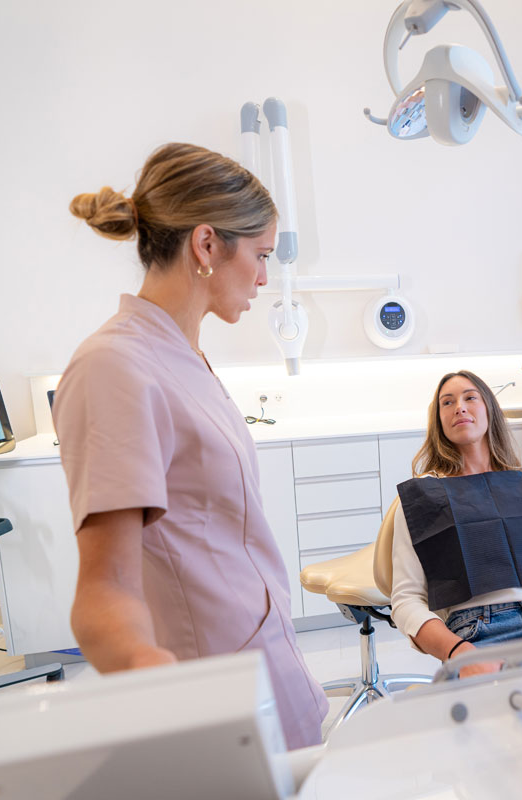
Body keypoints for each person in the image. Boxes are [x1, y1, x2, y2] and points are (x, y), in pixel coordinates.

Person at [54, 143, 327, 748]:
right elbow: (104, 590)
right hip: (214, 686)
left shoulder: (182, 354)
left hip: (263, 653)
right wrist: (149, 674)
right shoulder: (113, 367)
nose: (264, 278)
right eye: (260, 255)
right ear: (206, 245)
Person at [389, 370, 522, 679]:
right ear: (438, 421)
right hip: (480, 638)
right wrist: (459, 653)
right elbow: (406, 601)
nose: (459, 407)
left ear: (489, 408)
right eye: (447, 402)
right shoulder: (424, 497)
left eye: (470, 397)